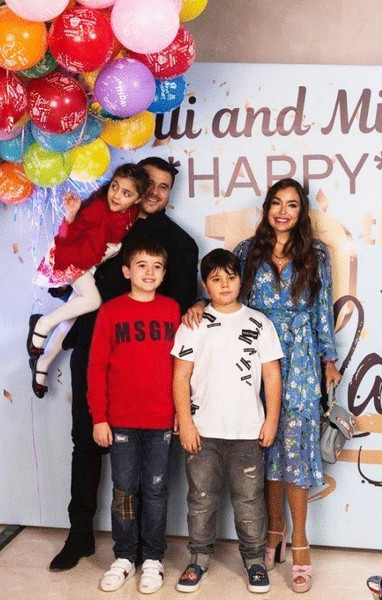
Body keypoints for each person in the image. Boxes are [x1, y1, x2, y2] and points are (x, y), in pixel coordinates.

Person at [184, 179, 342, 593]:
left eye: (292, 205)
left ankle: (301, 544)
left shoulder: (316, 253)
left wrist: (329, 358)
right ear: (267, 208)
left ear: (301, 211)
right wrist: (199, 303)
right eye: (276, 203)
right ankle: (273, 532)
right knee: (264, 446)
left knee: (295, 451)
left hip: (301, 358)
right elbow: (224, 293)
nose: (283, 212)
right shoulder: (246, 252)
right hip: (253, 356)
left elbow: (322, 308)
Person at [49, 156, 199, 571]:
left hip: (148, 365)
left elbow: (183, 314)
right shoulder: (103, 218)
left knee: (148, 467)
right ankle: (79, 534)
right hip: (95, 345)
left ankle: (148, 551)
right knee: (86, 439)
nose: (154, 191)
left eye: (164, 186)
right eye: (148, 182)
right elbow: (67, 269)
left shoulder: (181, 244)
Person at [172, 248, 283, 594]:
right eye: (216, 279)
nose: (224, 285)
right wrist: (186, 423)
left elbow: (272, 375)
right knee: (201, 499)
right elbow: (180, 376)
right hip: (203, 432)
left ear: (240, 280)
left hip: (247, 431)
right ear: (205, 285)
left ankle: (254, 560)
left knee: (249, 500)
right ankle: (198, 559)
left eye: (230, 278)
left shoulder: (260, 323)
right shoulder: (193, 323)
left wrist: (272, 420)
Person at [87, 237, 181, 593]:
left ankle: (153, 558)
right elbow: (96, 367)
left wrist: (181, 411)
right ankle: (125, 556)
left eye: (157, 267)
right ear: (127, 271)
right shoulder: (111, 311)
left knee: (156, 490)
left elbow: (184, 366)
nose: (149, 272)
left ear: (164, 274)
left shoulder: (173, 310)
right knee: (125, 490)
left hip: (161, 421)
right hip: (121, 420)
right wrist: (99, 417)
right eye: (142, 265)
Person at [26, 163, 149, 398]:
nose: (116, 195)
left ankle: (42, 364)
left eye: (126, 193)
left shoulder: (130, 213)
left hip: (89, 264)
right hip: (74, 258)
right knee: (93, 300)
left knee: (70, 320)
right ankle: (41, 324)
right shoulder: (97, 210)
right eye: (115, 187)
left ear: (137, 199)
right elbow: (67, 236)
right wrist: (71, 216)